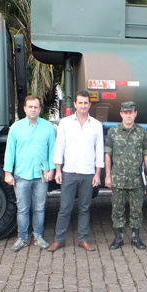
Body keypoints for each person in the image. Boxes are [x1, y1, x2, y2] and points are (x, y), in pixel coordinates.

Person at [48, 90, 104, 252]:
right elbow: (59, 147)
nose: (83, 105)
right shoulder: (65, 123)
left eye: (86, 103)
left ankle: (83, 239)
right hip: (69, 172)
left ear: (89, 104)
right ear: (75, 104)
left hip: (88, 173)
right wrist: (58, 170)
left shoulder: (96, 125)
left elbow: (99, 150)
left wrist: (97, 173)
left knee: (85, 208)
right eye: (80, 103)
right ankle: (59, 240)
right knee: (65, 208)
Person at [4, 96, 55, 252]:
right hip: (21, 174)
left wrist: (52, 169)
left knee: (39, 208)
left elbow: (53, 150)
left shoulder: (48, 127)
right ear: (24, 108)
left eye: (36, 107)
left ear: (40, 109)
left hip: (41, 176)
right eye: (30, 106)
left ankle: (38, 236)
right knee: (23, 209)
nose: (33, 109)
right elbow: (10, 151)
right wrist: (8, 172)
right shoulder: (16, 128)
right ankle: (22, 238)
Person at [104, 101, 147, 250]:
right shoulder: (113, 132)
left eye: (131, 112)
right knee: (117, 210)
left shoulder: (142, 132)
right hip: (118, 178)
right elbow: (107, 155)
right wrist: (107, 175)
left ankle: (136, 238)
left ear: (135, 113)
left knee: (136, 210)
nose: (128, 115)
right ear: (121, 114)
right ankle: (118, 238)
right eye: (125, 112)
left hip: (136, 178)